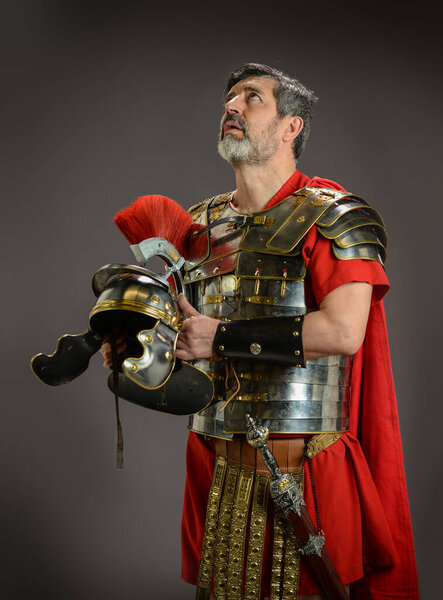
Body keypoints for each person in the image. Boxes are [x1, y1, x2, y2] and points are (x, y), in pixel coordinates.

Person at [102, 63, 419, 599]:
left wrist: (218, 338)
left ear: (291, 127)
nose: (232, 107)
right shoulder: (198, 228)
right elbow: (187, 342)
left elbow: (344, 332)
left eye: (252, 98)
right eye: (229, 99)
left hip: (303, 468)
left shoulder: (336, 216)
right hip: (219, 465)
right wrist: (138, 349)